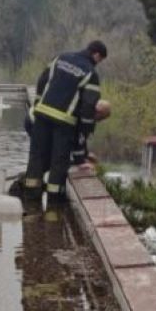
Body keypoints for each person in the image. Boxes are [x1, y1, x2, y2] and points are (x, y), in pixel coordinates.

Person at [22, 40, 107, 204]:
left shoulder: (61, 58)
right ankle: (53, 208)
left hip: (41, 117)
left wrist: (39, 103)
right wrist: (81, 160)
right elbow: (88, 108)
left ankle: (30, 202)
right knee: (58, 163)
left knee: (36, 158)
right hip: (64, 122)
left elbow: (42, 80)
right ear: (96, 55)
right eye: (100, 60)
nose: (98, 64)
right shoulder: (90, 73)